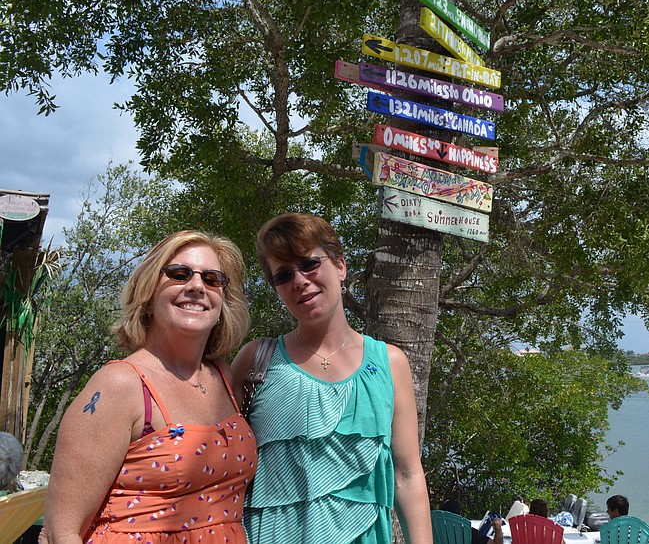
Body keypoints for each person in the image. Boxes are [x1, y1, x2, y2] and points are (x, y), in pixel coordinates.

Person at [42, 230, 256, 544]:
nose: (196, 286)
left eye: (212, 279)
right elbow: (61, 532)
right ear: (148, 293)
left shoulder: (223, 376)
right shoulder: (120, 385)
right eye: (179, 275)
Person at [232, 213, 432, 544]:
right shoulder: (255, 360)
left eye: (309, 264)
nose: (299, 280)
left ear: (340, 266)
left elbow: (407, 474)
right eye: (283, 275)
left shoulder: (390, 363)